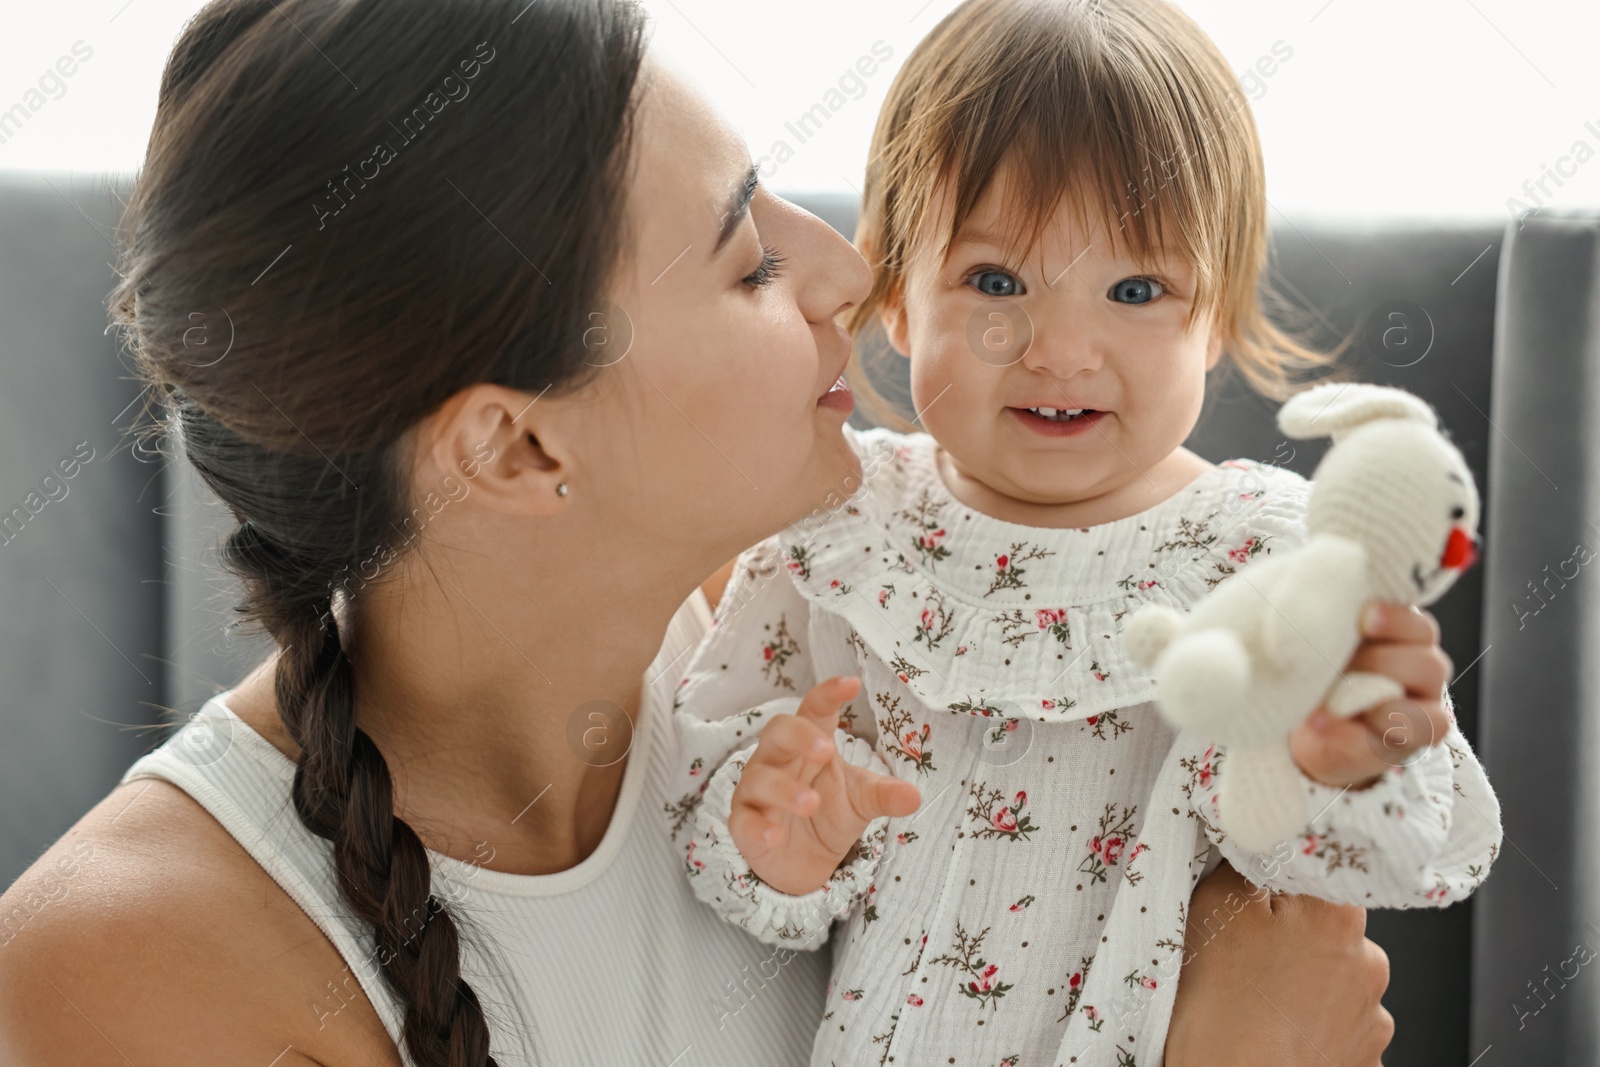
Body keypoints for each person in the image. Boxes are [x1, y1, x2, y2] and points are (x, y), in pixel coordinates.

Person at [0, 1, 1398, 1065]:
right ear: (519, 442)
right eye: (745, 258)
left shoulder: (835, 628)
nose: (849, 272)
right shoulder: (124, 966)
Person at [667, 1, 1503, 1064]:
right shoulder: (838, 531)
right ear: (897, 299)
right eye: (996, 281)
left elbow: (1391, 864)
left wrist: (1336, 763)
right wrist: (779, 834)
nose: (1060, 348)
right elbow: (705, 794)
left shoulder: (1264, 556)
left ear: (1218, 315)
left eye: (1137, 288)